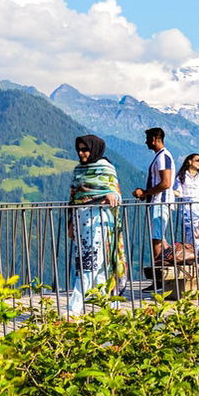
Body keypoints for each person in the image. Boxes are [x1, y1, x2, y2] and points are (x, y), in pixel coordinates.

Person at [67, 135, 126, 314]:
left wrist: (110, 196)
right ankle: (109, 307)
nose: (81, 153)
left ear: (95, 149)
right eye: (79, 149)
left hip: (99, 221)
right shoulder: (79, 169)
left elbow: (115, 193)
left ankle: (74, 310)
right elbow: (73, 197)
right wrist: (71, 222)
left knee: (90, 264)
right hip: (81, 221)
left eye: (85, 149)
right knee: (95, 265)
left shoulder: (105, 168)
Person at [132, 127, 174, 262]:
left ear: (155, 140)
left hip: (160, 202)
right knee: (159, 237)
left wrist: (145, 192)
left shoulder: (163, 157)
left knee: (156, 239)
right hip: (156, 202)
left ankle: (158, 275)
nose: (146, 142)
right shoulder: (161, 156)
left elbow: (166, 183)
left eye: (148, 139)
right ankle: (162, 270)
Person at [173, 153, 199, 254]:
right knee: (189, 234)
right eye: (197, 160)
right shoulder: (182, 175)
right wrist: (169, 192)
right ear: (190, 161)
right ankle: (192, 255)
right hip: (187, 209)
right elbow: (179, 191)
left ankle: (196, 256)